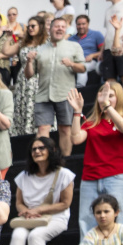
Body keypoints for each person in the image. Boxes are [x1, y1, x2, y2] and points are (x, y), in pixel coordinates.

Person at [65, 82, 123, 233]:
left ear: (119, 98)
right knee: (87, 222)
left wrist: (106, 106)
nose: (106, 98)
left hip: (116, 177)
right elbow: (76, 139)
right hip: (90, 178)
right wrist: (77, 112)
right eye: (103, 95)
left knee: (119, 224)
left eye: (111, 95)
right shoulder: (92, 122)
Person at [6, 136, 75, 245]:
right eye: (34, 149)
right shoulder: (23, 176)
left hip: (55, 217)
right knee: (18, 234)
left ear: (52, 150)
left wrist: (38, 211)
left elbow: (65, 204)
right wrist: (25, 211)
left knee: (36, 235)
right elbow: (19, 202)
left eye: (41, 148)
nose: (37, 151)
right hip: (30, 218)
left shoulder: (64, 174)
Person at [28, 15, 87, 155]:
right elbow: (29, 74)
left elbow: (83, 68)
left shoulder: (74, 46)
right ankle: (43, 161)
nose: (60, 29)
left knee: (65, 129)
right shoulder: (40, 49)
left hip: (65, 94)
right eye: (57, 26)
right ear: (50, 29)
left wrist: (71, 64)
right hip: (43, 95)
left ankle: (65, 163)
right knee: (42, 129)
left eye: (63, 27)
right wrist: (29, 62)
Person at [9, 16, 46, 138]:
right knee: (21, 105)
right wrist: (9, 36)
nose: (30, 28)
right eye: (28, 26)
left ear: (40, 27)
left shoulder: (46, 43)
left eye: (33, 26)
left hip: (39, 77)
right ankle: (22, 133)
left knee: (35, 104)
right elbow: (6, 51)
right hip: (23, 78)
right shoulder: (24, 42)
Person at [69, 14, 106, 89]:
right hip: (74, 61)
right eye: (79, 24)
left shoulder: (96, 34)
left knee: (82, 67)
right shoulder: (71, 39)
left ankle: (80, 89)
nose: (81, 26)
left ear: (88, 24)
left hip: (90, 62)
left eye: (83, 24)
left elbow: (103, 51)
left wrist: (92, 55)